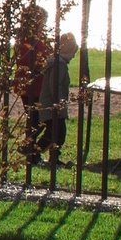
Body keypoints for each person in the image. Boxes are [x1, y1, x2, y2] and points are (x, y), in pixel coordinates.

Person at [28, 31, 76, 170]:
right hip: (53, 105)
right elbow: (55, 86)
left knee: (54, 132)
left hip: (50, 103)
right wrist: (60, 104)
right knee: (56, 133)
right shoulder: (59, 65)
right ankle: (35, 154)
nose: (73, 56)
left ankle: (48, 156)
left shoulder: (56, 62)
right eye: (73, 52)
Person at [13, 7, 49, 165]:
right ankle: (30, 150)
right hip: (34, 85)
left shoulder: (24, 37)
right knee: (37, 120)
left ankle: (30, 150)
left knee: (34, 119)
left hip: (29, 85)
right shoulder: (32, 39)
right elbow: (36, 61)